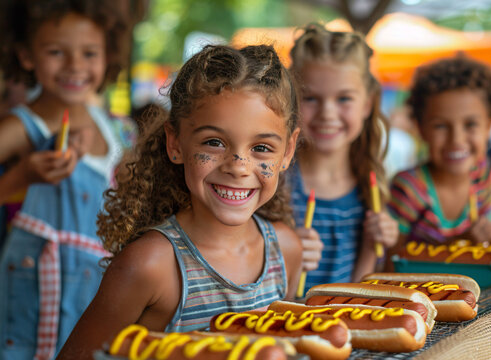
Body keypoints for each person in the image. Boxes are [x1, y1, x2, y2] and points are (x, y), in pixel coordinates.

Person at [57, 44, 302, 359]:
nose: (238, 166)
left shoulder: (286, 251)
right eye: (214, 143)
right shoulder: (150, 265)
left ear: (288, 151)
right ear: (175, 143)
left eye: (262, 148)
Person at [0, 1, 133, 358]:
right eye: (57, 52)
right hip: (33, 298)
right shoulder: (22, 126)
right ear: (27, 56)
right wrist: (22, 175)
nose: (75, 66)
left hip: (94, 295)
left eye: (89, 53)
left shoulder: (116, 129)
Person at [287, 24, 398, 292]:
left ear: (368, 104)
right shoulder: (276, 183)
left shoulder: (368, 184)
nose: (327, 113)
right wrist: (286, 258)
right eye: (311, 98)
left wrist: (372, 247)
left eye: (344, 98)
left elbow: (358, 292)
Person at [388, 56, 491, 246]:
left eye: (470, 124)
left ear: (489, 126)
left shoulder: (485, 177)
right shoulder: (408, 189)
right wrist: (460, 243)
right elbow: (393, 260)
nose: (456, 140)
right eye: (440, 126)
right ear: (420, 129)